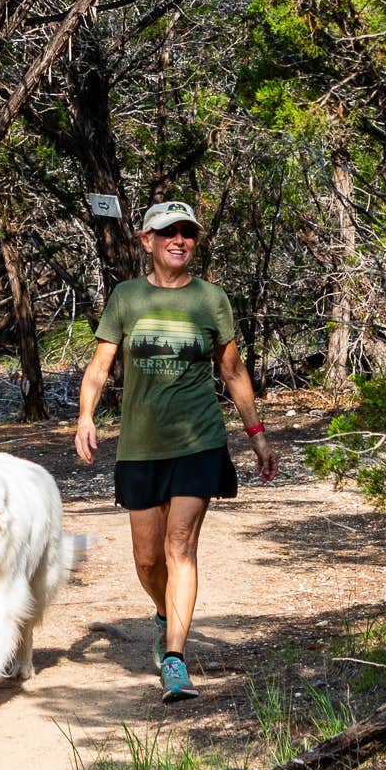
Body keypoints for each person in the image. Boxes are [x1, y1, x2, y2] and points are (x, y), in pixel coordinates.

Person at [73, 200, 277, 703]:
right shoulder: (126, 297)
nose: (179, 240)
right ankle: (165, 611)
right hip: (140, 446)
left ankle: (175, 658)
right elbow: (100, 366)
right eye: (169, 232)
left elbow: (232, 371)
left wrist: (256, 435)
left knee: (180, 546)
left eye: (187, 232)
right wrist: (84, 417)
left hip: (199, 442)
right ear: (147, 241)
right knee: (147, 558)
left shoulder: (211, 299)